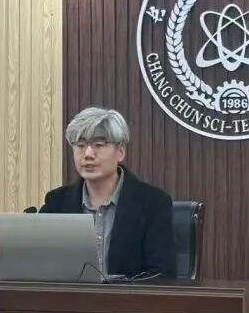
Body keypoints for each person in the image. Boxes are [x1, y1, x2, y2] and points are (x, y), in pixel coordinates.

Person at [40, 107, 175, 279]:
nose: (88, 154)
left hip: (129, 296)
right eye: (80, 145)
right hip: (69, 296)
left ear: (120, 152)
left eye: (99, 145)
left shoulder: (154, 203)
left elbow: (161, 274)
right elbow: (39, 265)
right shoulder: (56, 203)